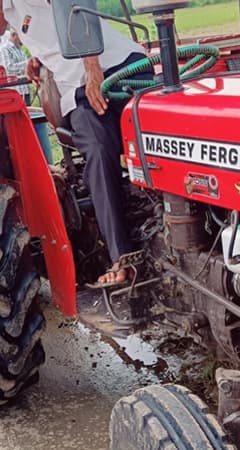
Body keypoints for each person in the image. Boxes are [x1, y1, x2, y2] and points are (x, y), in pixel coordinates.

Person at [0, 0, 152, 285]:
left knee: (147, 141)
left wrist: (93, 68)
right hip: (79, 90)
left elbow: (73, 2)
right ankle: (124, 254)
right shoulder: (13, 13)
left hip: (115, 69)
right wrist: (41, 59)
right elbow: (55, 30)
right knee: (98, 147)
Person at [0, 28, 29, 105]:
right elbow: (8, 68)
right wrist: (27, 64)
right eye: (21, 36)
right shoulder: (5, 49)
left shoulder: (19, 48)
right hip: (15, 90)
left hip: (24, 88)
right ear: (14, 35)